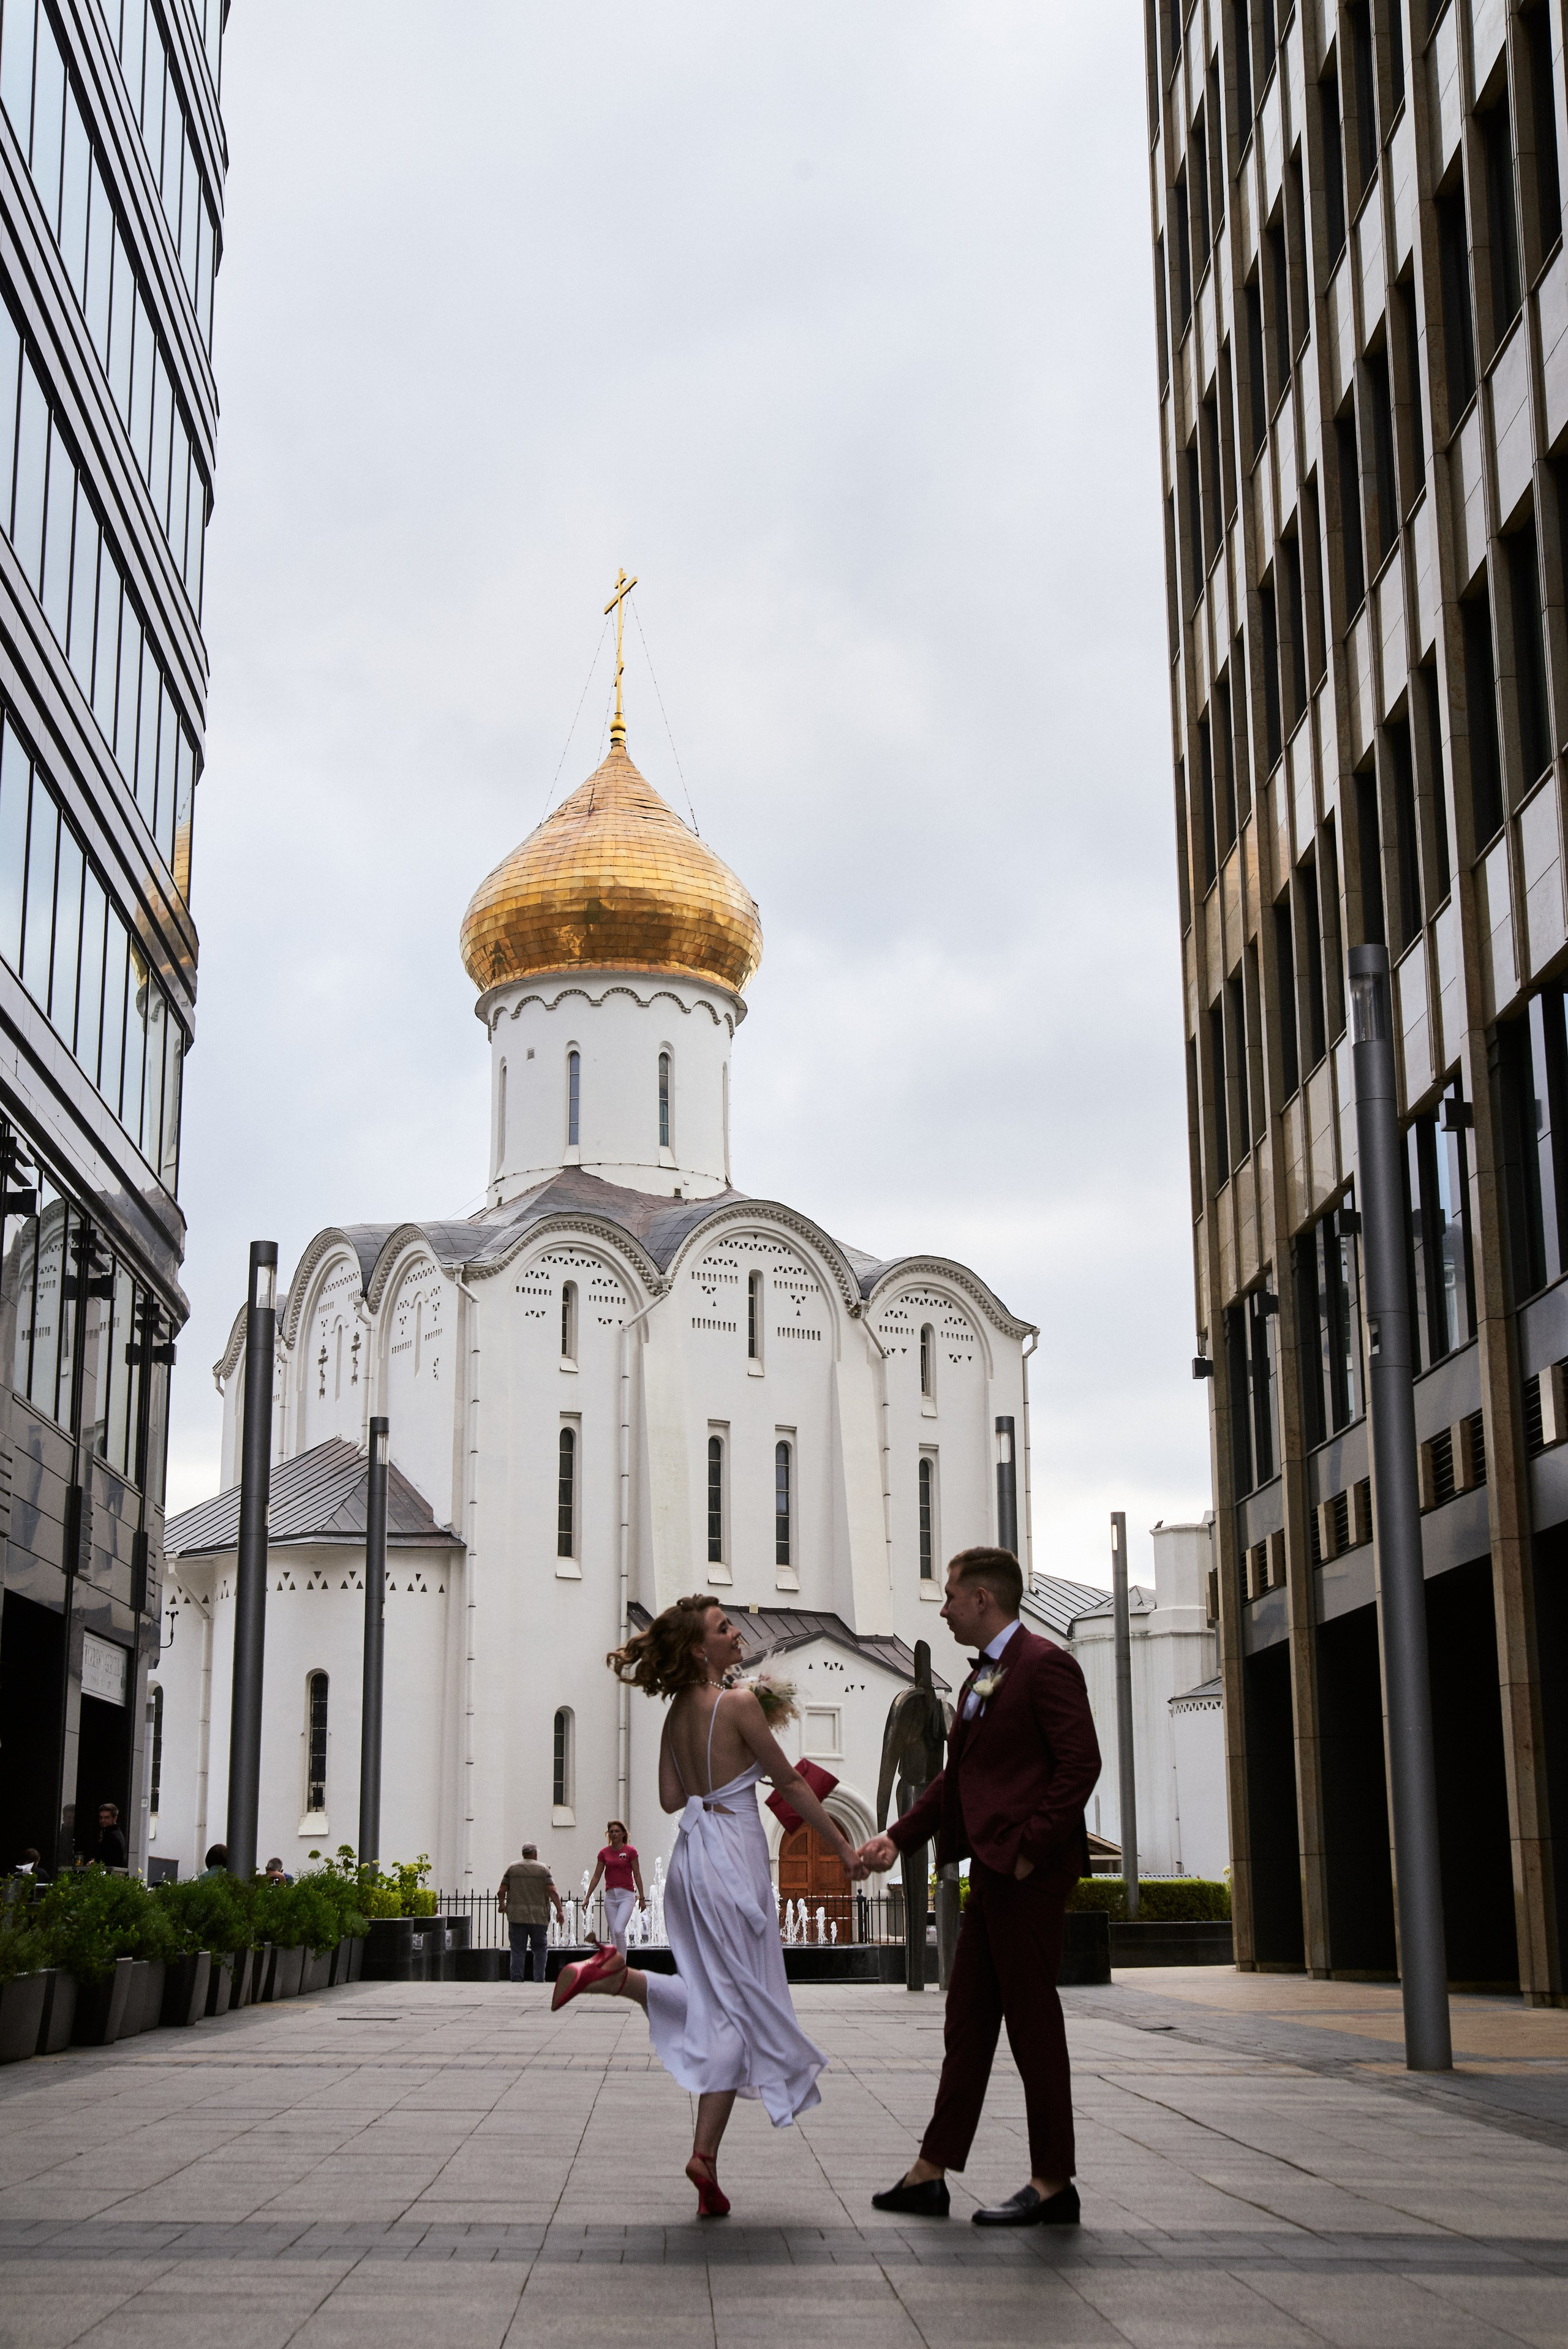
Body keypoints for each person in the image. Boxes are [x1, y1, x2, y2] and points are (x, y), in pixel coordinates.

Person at [551, 1593, 866, 2219]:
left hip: (692, 1859)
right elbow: (791, 1781)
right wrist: (842, 1847)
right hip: (732, 1858)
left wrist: (723, 1768)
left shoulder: (677, 1712)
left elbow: (672, 1798)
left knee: (721, 1997)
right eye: (724, 1628)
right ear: (700, 1649)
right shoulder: (738, 1703)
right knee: (738, 2006)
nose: (736, 1632)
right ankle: (702, 2154)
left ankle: (620, 1978)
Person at [857, 1546, 1101, 2230]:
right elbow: (956, 1777)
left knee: (1032, 2024)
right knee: (966, 2020)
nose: (943, 1609)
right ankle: (930, 2172)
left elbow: (1080, 1763)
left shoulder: (1044, 1664)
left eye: (950, 1596)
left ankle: (1053, 2183)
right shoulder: (984, 1676)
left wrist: (1028, 1851)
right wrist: (898, 1837)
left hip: (1024, 1875)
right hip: (991, 1874)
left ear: (983, 1599)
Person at [498, 1844, 564, 1981]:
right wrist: (560, 1911)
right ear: (535, 1854)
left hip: (517, 1916)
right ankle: (539, 1979)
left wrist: (502, 1905)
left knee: (517, 1950)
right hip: (539, 1917)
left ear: (523, 1854)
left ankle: (517, 1979)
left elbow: (501, 1891)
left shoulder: (512, 1868)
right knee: (540, 1949)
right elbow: (552, 1891)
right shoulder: (543, 1869)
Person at [584, 1821, 645, 1953]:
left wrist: (642, 1897)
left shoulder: (630, 1852)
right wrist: (587, 1897)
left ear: (623, 1834)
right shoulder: (604, 1853)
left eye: (617, 1831)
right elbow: (596, 1876)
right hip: (611, 1896)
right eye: (611, 1832)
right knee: (613, 1933)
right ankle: (615, 1962)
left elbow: (637, 1874)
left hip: (626, 1895)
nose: (614, 1834)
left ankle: (622, 1962)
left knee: (619, 1930)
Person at [96, 1803, 127, 1869]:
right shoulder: (115, 1833)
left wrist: (96, 1863)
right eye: (101, 1817)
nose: (103, 1820)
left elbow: (109, 1860)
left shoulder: (111, 1836)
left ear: (115, 1818)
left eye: (106, 1818)